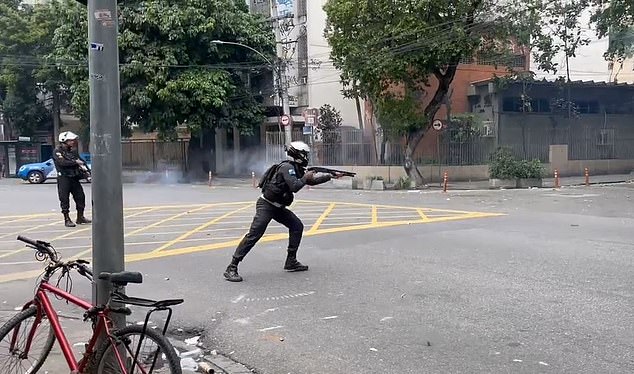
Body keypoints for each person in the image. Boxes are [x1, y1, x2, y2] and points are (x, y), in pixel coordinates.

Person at [224, 141, 342, 282]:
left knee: (297, 226)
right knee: (254, 234)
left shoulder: (295, 168)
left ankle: (291, 261)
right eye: (305, 154)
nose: (307, 156)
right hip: (266, 205)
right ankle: (232, 267)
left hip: (278, 207)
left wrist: (330, 176)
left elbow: (310, 182)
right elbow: (295, 186)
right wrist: (305, 177)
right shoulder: (287, 168)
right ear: (299, 155)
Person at [53, 131, 91, 227]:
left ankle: (80, 217)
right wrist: (75, 162)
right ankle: (67, 219)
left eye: (73, 140)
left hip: (74, 178)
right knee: (64, 199)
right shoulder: (57, 151)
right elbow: (62, 163)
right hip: (64, 178)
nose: (73, 142)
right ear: (64, 141)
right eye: (70, 140)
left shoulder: (72, 151)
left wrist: (88, 173)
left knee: (80, 197)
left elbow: (82, 162)